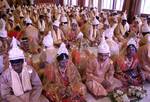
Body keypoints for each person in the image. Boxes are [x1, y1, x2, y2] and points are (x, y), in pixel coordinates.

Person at [0, 37, 49, 102]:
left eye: (18, 65)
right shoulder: (5, 75)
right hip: (14, 98)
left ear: (23, 62)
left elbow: (38, 85)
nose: (16, 68)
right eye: (13, 65)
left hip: (31, 96)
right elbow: (5, 94)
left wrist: (33, 99)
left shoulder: (29, 70)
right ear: (10, 64)